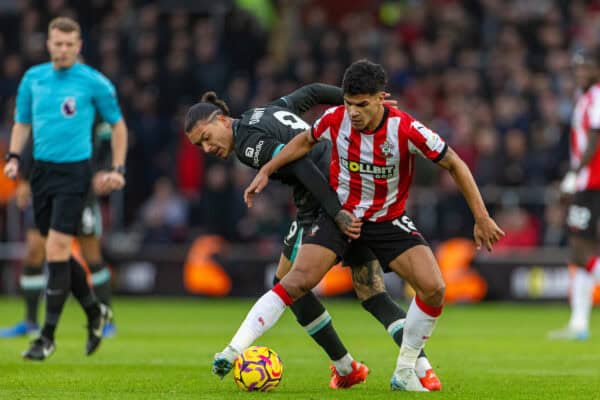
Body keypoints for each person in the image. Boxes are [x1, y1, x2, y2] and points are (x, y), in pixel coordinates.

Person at [217, 59, 504, 391]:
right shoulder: (336, 118)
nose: (353, 112)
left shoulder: (406, 129)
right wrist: (267, 170)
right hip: (342, 216)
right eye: (349, 103)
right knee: (295, 281)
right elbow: (304, 142)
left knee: (435, 288)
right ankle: (232, 350)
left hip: (388, 219)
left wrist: (481, 217)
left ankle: (406, 368)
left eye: (362, 105)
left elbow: (454, 163)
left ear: (381, 98)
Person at [185, 83, 441, 390]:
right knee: (371, 292)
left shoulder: (248, 144)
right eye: (199, 146)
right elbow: (313, 92)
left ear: (222, 120)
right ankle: (422, 369)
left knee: (286, 284)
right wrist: (354, 103)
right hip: (351, 184)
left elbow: (301, 164)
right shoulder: (265, 110)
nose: (207, 148)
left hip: (322, 200)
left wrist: (335, 212)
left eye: (206, 138)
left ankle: (345, 367)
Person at [3, 17, 127, 360]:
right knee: (53, 251)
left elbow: (118, 127)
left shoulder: (94, 83)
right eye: (57, 43)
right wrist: (14, 157)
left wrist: (117, 168)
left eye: (69, 44)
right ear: (48, 44)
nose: (62, 50)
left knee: (57, 248)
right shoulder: (34, 78)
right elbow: (22, 123)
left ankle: (46, 336)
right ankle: (94, 312)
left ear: (79, 45)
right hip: (41, 172)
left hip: (76, 174)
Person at [0, 122, 118, 339]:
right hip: (47, 190)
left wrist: (104, 171)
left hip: (82, 191)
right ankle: (30, 322)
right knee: (34, 252)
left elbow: (107, 141)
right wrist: (24, 180)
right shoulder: (45, 103)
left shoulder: (91, 101)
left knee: (92, 255)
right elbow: (32, 143)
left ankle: (106, 319)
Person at [549, 50, 600, 340]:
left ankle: (579, 323)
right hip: (587, 183)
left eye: (587, 67)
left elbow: (595, 138)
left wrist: (574, 174)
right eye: (578, 67)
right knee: (579, 254)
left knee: (582, 249)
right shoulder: (585, 97)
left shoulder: (597, 96)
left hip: (593, 183)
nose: (581, 72)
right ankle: (579, 324)